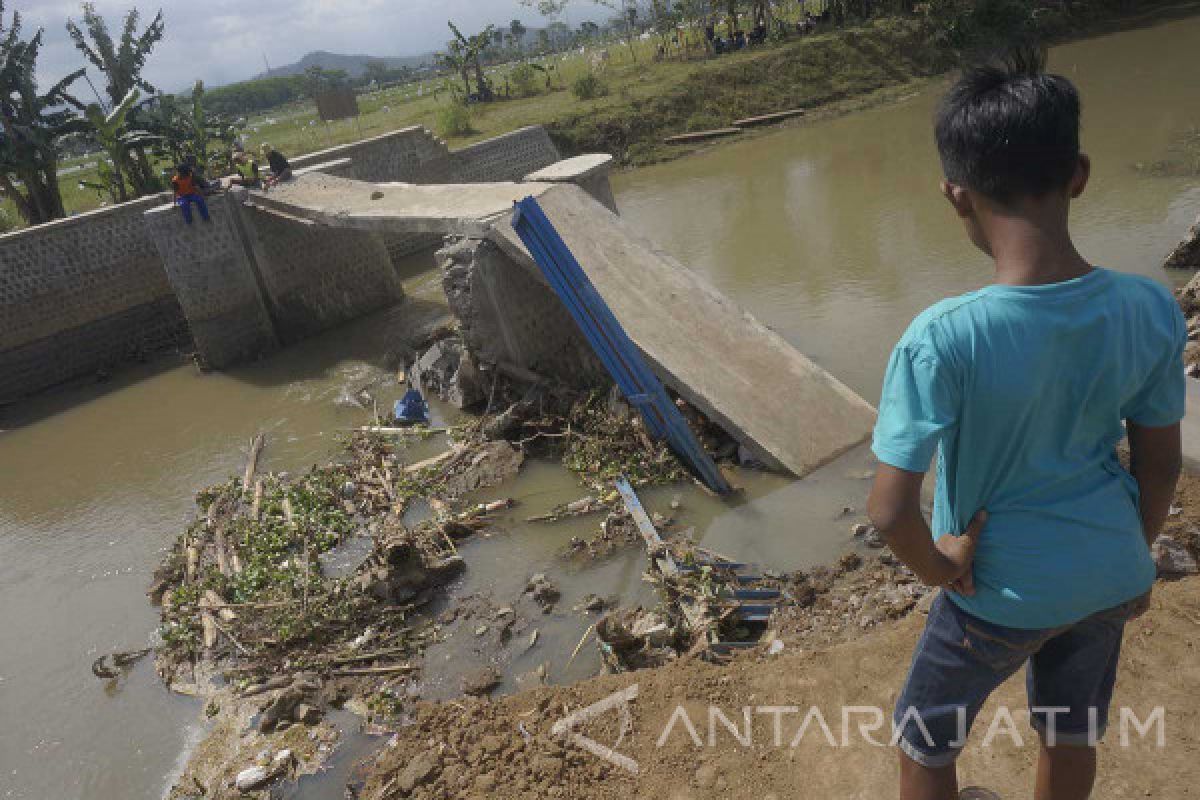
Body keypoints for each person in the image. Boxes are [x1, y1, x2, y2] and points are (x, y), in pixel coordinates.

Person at [866, 47, 1184, 800]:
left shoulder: (942, 336)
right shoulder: (1149, 307)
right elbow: (1161, 465)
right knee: (1070, 730)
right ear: (1079, 174)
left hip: (998, 592)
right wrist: (1126, 551)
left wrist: (942, 568)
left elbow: (887, 511)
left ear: (956, 195)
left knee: (924, 742)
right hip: (1109, 571)